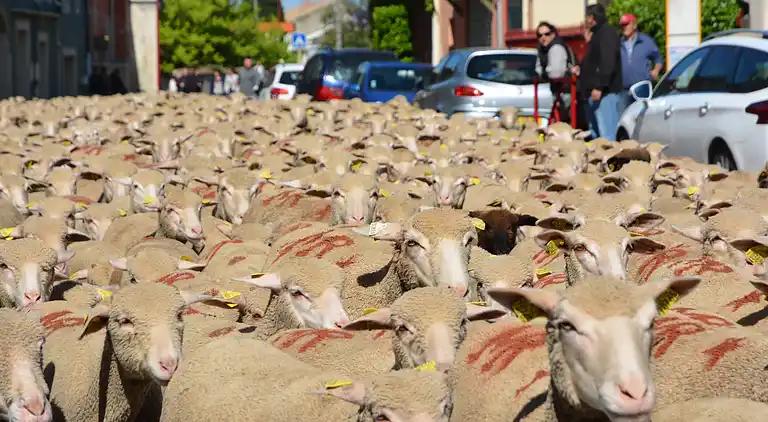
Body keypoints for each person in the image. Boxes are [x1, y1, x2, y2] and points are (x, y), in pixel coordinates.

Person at [578, 4, 622, 141]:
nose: (585, 21)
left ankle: (611, 162)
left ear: (591, 18)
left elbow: (608, 62)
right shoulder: (597, 35)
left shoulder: (607, 33)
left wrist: (600, 86)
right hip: (594, 93)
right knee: (596, 138)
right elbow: (593, 62)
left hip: (604, 94)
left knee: (607, 138)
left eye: (587, 18)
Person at [618, 13, 663, 114]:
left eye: (626, 24)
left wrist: (656, 70)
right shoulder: (618, 43)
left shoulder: (646, 41)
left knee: (643, 117)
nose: (623, 27)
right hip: (624, 90)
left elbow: (658, 58)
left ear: (634, 25)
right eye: (622, 25)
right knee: (623, 119)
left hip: (642, 89)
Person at [535, 21, 577, 123]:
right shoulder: (542, 49)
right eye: (540, 35)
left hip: (566, 91)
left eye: (546, 34)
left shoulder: (556, 47)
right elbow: (538, 68)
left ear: (553, 34)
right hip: (557, 90)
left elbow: (555, 73)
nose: (543, 37)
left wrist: (544, 74)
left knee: (564, 122)